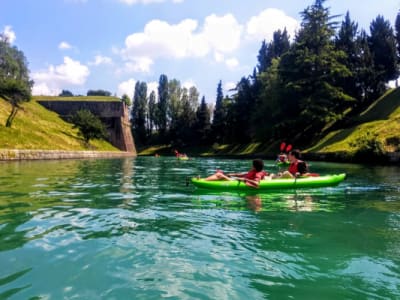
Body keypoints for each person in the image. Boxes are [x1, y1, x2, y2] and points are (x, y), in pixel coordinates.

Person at [204, 159, 270, 188]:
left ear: (255, 166)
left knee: (219, 175)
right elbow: (244, 174)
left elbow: (256, 183)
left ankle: (203, 181)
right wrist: (232, 174)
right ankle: (205, 180)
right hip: (238, 180)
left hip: (239, 182)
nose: (251, 165)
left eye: (252, 164)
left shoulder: (257, 174)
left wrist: (244, 180)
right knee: (220, 174)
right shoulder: (254, 171)